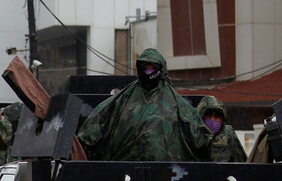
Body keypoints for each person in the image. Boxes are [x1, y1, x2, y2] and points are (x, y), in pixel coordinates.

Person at [77, 48, 212, 161]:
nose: (148, 71)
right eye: (145, 67)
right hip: (124, 174)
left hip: (167, 175)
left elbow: (201, 139)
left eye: (152, 67)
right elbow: (93, 128)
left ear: (160, 69)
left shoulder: (178, 105)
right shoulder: (122, 100)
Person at [197, 95, 248, 162]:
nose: (212, 119)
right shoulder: (193, 134)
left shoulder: (228, 134)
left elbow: (241, 162)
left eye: (217, 116)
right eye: (209, 115)